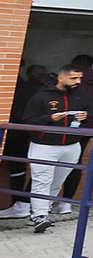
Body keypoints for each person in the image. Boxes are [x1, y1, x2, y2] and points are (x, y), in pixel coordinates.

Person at [20, 63, 89, 231]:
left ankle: (42, 212)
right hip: (44, 145)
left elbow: (90, 116)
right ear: (61, 77)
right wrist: (49, 119)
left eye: (79, 78)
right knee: (42, 180)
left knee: (57, 181)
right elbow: (27, 121)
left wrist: (85, 116)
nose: (77, 81)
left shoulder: (81, 96)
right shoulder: (41, 97)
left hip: (72, 145)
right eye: (73, 78)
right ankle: (39, 216)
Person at [57, 53, 93, 211]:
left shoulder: (75, 84)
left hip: (67, 127)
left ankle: (40, 202)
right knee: (75, 163)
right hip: (88, 128)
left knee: (53, 162)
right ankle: (66, 203)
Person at [2, 64, 51, 216]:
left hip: (18, 132)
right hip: (24, 132)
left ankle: (21, 203)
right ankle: (24, 203)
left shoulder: (24, 87)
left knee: (21, 168)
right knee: (24, 168)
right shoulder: (37, 89)